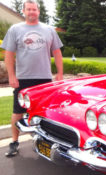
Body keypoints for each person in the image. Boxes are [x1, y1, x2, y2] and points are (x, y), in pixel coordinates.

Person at [0, 0, 63, 157]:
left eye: (34, 9)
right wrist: (11, 76)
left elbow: (57, 52)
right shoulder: (15, 29)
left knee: (44, 112)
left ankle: (44, 140)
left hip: (44, 79)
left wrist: (60, 74)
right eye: (28, 9)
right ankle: (14, 142)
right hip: (23, 79)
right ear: (24, 11)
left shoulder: (49, 30)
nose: (32, 12)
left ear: (38, 11)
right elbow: (8, 54)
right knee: (18, 111)